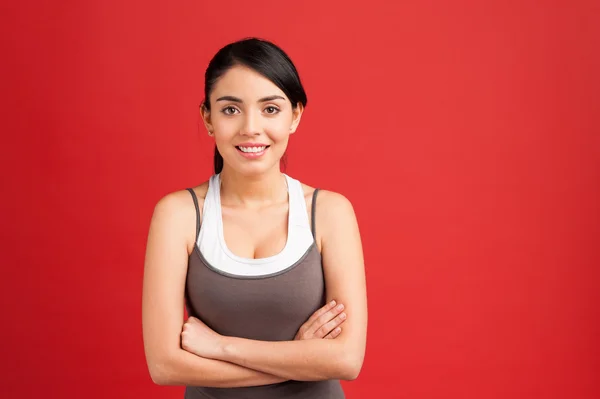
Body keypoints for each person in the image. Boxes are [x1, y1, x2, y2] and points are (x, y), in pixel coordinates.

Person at [142, 37, 368, 399]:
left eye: (270, 109)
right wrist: (300, 358)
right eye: (231, 109)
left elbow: (346, 360)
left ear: (295, 116)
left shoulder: (330, 212)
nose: (250, 127)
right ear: (208, 118)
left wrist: (220, 346)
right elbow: (164, 365)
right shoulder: (179, 215)